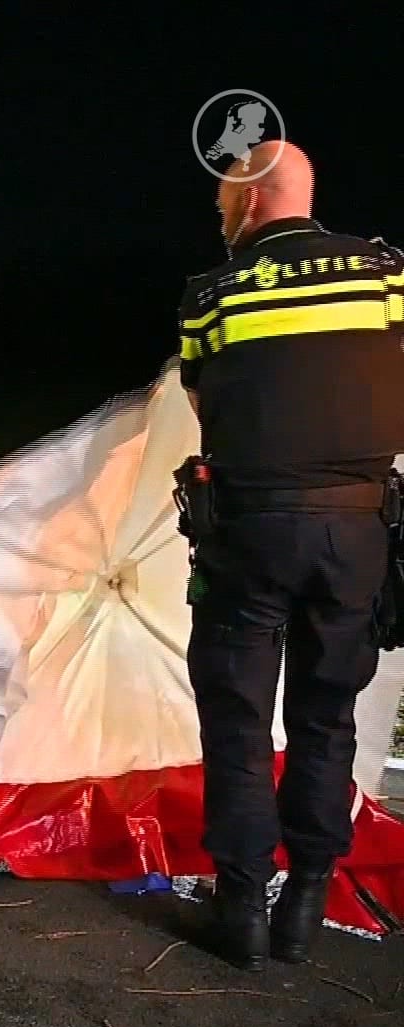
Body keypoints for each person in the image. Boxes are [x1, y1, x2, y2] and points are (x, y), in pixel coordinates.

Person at [175, 142, 404, 968]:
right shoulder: (383, 274)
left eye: (222, 202)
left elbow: (204, 403)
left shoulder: (214, 294)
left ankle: (240, 913)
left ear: (251, 199)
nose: (219, 216)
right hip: (358, 534)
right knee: (326, 716)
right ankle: (304, 903)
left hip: (250, 532)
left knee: (237, 719)